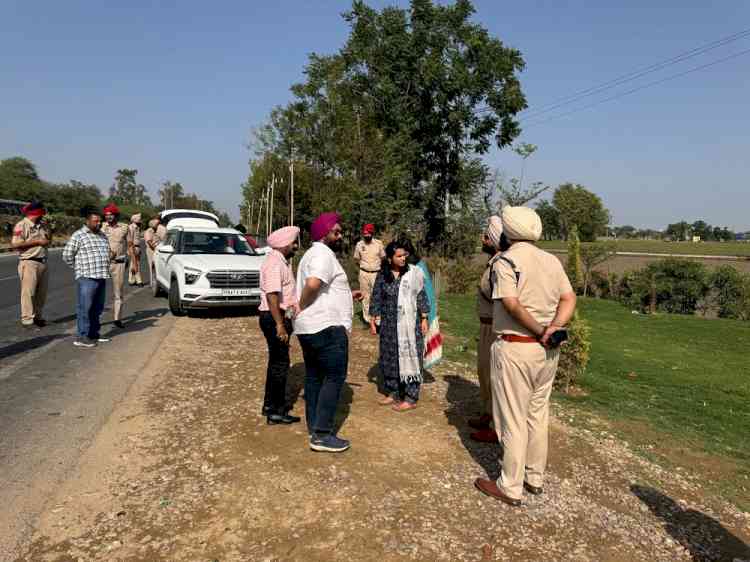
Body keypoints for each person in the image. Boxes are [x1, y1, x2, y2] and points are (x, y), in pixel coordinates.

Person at [474, 206, 577, 506]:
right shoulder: (551, 260)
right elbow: (569, 297)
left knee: (513, 418)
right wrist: (554, 329)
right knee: (537, 413)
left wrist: (539, 329)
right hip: (547, 352)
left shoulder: (507, 261)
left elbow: (511, 303)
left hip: (517, 346)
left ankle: (510, 484)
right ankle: (535, 476)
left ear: (507, 232)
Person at [295, 212, 363, 453]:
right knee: (334, 378)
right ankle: (322, 435)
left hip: (310, 327)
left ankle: (315, 426)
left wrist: (347, 294)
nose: (340, 235)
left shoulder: (310, 255)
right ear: (324, 234)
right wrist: (301, 304)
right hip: (326, 327)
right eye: (336, 231)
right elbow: (314, 284)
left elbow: (323, 288)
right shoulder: (323, 255)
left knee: (314, 377)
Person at [369, 239, 430, 411]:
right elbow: (376, 297)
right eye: (399, 256)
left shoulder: (413, 273)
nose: (403, 258)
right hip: (389, 325)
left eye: (405, 255)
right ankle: (393, 391)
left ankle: (411, 397)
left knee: (411, 356)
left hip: (409, 325)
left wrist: (424, 318)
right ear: (390, 258)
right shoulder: (383, 275)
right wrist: (373, 320)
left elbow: (421, 296)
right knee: (390, 357)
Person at [259, 226, 302, 425]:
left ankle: (269, 406)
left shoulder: (278, 261)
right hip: (275, 317)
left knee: (276, 362)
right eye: (294, 242)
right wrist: (279, 325)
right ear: (285, 244)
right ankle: (276, 411)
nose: (296, 246)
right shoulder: (275, 263)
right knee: (280, 365)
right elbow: (272, 295)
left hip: (277, 317)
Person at [469, 216, 505, 443]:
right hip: (486, 327)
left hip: (494, 328)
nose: (482, 239)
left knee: (493, 377)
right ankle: (488, 412)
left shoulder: (500, 265)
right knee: (484, 373)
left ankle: (496, 427)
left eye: (486, 235)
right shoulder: (493, 262)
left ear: (493, 239)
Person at [63, 210, 113, 348]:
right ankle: (82, 336)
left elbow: (107, 252)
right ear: (87, 221)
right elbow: (67, 255)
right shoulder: (79, 235)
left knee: (97, 308)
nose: (98, 223)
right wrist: (79, 269)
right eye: (95, 221)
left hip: (101, 275)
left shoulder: (102, 235)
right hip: (87, 277)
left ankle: (94, 334)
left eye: (99, 221)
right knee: (85, 308)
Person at [401, 239, 443, 370]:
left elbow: (424, 291)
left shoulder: (418, 266)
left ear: (407, 253)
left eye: (403, 255)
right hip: (411, 309)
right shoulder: (414, 265)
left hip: (420, 310)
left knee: (418, 341)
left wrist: (425, 315)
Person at [11, 201, 50, 329]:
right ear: (36, 213)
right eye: (41, 214)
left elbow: (47, 240)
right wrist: (37, 241)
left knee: (41, 294)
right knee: (29, 293)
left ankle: (38, 317)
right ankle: (27, 320)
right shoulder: (22, 225)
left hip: (42, 261)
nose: (43, 216)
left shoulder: (42, 225)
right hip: (29, 262)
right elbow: (15, 244)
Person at [101, 203, 129, 328]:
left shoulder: (124, 227)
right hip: (103, 263)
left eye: (111, 215)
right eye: (107, 215)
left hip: (119, 263)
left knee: (118, 293)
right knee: (98, 292)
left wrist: (132, 261)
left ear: (116, 215)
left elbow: (129, 244)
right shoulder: (101, 227)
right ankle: (96, 318)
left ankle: (117, 319)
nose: (109, 217)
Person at [353, 224, 385, 324]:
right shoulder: (359, 244)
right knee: (365, 296)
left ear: (372, 233)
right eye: (364, 233)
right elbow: (356, 259)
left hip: (376, 273)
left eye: (368, 233)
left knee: (377, 295)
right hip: (364, 273)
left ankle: (377, 320)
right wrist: (364, 267)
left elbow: (383, 257)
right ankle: (367, 319)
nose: (366, 235)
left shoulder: (378, 243)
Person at [143, 217, 160, 288]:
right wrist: (155, 248)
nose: (158, 225)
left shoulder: (155, 231)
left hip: (156, 249)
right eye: (157, 224)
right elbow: (149, 242)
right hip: (151, 250)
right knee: (151, 266)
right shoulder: (148, 231)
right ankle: (152, 283)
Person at [127, 213, 144, 286]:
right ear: (134, 219)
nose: (140, 219)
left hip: (137, 247)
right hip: (133, 247)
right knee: (136, 264)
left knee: (133, 264)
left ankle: (131, 280)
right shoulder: (131, 227)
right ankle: (138, 280)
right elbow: (130, 240)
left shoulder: (137, 227)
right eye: (138, 218)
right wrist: (132, 249)